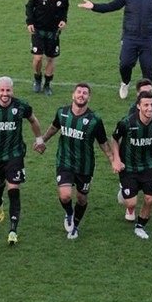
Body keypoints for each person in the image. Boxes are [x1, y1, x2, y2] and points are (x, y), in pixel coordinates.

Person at [78, 0, 152, 99]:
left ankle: (147, 92)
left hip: (148, 39)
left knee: (148, 67)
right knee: (125, 64)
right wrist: (94, 6)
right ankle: (125, 82)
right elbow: (112, 6)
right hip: (130, 37)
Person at [0, 76, 45, 245]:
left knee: (13, 189)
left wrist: (40, 140)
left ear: (12, 90)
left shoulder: (21, 106)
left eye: (8, 90)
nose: (5, 94)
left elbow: (33, 120)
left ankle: (13, 230)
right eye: (2, 90)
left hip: (15, 154)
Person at [40, 83, 114, 239]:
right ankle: (69, 214)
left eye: (85, 93)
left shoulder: (94, 120)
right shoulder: (62, 113)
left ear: (89, 98)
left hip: (85, 166)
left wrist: (113, 160)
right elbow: (54, 127)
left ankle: (76, 225)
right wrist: (42, 140)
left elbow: (103, 143)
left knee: (81, 198)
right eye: (79, 92)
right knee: (65, 195)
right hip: (64, 162)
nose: (81, 95)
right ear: (72, 95)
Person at [111, 91, 152, 239]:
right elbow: (115, 139)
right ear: (138, 106)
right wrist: (116, 159)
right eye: (146, 105)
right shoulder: (127, 123)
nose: (149, 108)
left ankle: (140, 227)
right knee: (131, 203)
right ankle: (124, 191)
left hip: (148, 166)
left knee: (150, 199)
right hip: (128, 168)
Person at [25, 0, 70, 95]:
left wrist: (63, 20)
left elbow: (64, 11)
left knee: (50, 59)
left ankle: (47, 85)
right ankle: (37, 80)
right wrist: (29, 22)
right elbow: (29, 6)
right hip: (38, 31)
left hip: (53, 32)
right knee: (38, 58)